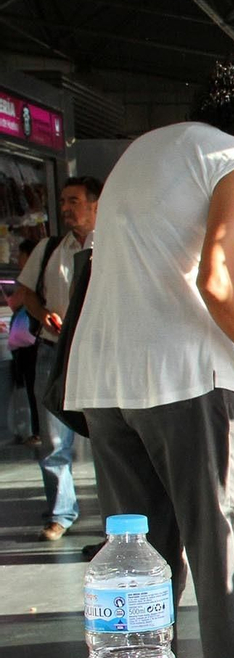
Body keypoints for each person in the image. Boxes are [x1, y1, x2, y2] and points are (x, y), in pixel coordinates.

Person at [66, 58, 234, 658]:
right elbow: (217, 282)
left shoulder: (145, 149)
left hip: (102, 380)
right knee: (224, 547)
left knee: (136, 556)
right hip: (186, 377)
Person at [12, 177, 99, 540]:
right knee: (52, 439)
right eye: (63, 201)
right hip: (53, 351)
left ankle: (119, 518)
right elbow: (25, 293)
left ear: (95, 205)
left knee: (110, 438)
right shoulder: (49, 248)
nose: (66, 208)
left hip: (98, 351)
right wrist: (43, 312)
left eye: (74, 201)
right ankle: (61, 512)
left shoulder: (113, 245)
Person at [6, 236, 39, 446]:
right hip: (30, 342)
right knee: (30, 388)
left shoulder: (30, 278)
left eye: (21, 255)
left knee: (33, 388)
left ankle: (37, 431)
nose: (18, 259)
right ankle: (34, 429)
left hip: (31, 342)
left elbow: (15, 301)